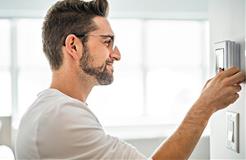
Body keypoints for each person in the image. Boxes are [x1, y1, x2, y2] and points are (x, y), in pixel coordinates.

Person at [15, 0, 245, 159]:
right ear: (73, 46)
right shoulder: (60, 116)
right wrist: (205, 107)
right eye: (107, 42)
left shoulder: (49, 110)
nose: (117, 54)